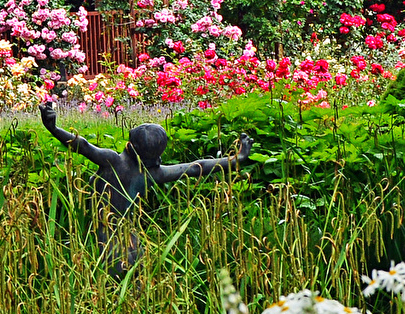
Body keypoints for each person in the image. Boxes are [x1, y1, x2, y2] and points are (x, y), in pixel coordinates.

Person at [39, 99, 252, 270]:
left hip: (103, 241)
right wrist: (237, 159)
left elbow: (82, 145)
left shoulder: (112, 162)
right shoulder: (154, 174)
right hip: (133, 244)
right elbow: (197, 167)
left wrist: (53, 128)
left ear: (130, 144)